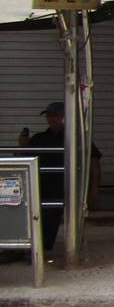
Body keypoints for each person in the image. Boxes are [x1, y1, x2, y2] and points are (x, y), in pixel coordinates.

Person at [25, 101, 101, 257]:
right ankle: (32, 247)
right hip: (41, 186)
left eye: (56, 116)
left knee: (53, 213)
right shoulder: (39, 138)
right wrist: (23, 146)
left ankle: (41, 248)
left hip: (67, 186)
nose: (52, 119)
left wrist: (94, 187)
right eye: (49, 116)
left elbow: (94, 162)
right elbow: (23, 160)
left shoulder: (77, 138)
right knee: (37, 215)